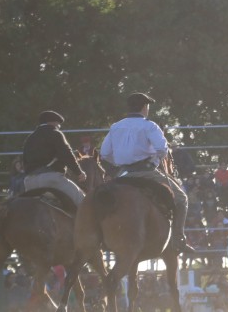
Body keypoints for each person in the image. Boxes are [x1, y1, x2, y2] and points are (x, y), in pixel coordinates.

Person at [100, 92, 194, 254]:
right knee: (181, 199)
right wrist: (154, 162)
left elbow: (105, 153)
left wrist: (120, 165)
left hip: (122, 175)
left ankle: (101, 237)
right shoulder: (150, 126)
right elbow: (163, 149)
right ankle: (178, 239)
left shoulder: (116, 127)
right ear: (144, 107)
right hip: (146, 172)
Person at [21, 110, 86, 210]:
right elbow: (67, 154)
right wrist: (79, 172)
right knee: (83, 202)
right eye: (58, 125)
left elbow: (24, 161)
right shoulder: (55, 133)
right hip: (51, 179)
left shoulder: (29, 138)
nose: (59, 127)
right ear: (53, 122)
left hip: (29, 182)